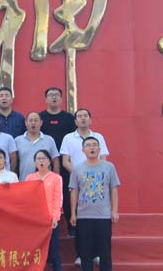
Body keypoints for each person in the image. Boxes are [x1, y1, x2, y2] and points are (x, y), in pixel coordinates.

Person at [70, 137, 120, 271]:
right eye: (88, 146)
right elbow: (74, 191)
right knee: (85, 252)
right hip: (83, 216)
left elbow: (114, 189)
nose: (91, 148)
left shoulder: (109, 167)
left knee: (105, 251)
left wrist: (114, 211)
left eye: (94, 145)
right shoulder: (78, 168)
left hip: (103, 216)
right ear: (83, 150)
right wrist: (73, 213)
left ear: (99, 149)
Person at [60, 108, 110, 245]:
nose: (83, 118)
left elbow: (103, 159)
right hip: (77, 181)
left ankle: (97, 249)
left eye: (85, 116)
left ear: (90, 120)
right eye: (80, 116)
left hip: (96, 182)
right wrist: (80, 175)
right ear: (75, 121)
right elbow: (65, 161)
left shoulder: (98, 137)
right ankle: (80, 250)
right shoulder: (68, 138)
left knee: (96, 215)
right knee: (78, 215)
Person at [39, 87, 77, 236]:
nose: (53, 97)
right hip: (44, 164)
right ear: (45, 99)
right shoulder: (40, 118)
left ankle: (72, 227)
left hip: (65, 162)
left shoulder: (68, 118)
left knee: (67, 194)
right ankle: (43, 226)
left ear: (61, 99)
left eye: (56, 95)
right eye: (50, 95)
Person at [25, 149, 63, 271]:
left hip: (51, 220)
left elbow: (58, 199)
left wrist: (55, 217)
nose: (41, 161)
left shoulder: (56, 178)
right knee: (38, 253)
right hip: (35, 221)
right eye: (38, 159)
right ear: (35, 162)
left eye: (43, 158)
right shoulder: (30, 178)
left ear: (49, 161)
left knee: (53, 252)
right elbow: (26, 198)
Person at [15, 112, 60, 181]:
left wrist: (56, 179)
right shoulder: (18, 140)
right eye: (30, 120)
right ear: (26, 123)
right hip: (24, 181)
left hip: (45, 182)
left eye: (36, 120)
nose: (33, 123)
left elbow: (55, 161)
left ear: (41, 123)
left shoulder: (49, 140)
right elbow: (14, 162)